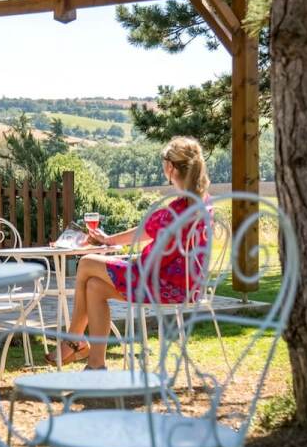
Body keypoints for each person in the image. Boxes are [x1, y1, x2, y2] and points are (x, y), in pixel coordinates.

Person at [45, 136, 211, 370]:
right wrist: (110, 241)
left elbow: (150, 243)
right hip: (183, 285)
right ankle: (95, 366)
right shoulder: (197, 203)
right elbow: (149, 230)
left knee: (86, 262)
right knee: (94, 286)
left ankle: (73, 341)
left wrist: (120, 251)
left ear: (171, 168)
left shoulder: (180, 209)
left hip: (163, 284)